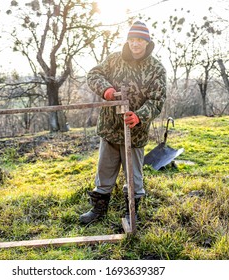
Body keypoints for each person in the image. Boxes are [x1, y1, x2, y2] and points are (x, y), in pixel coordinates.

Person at [79, 21, 166, 224]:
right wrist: (106, 90)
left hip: (134, 131)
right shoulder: (114, 59)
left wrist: (139, 116)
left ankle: (131, 213)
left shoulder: (156, 68)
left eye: (140, 40)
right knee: (104, 172)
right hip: (110, 128)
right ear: (128, 41)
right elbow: (93, 74)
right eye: (132, 40)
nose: (136, 44)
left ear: (147, 42)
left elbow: (157, 100)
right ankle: (98, 211)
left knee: (134, 177)